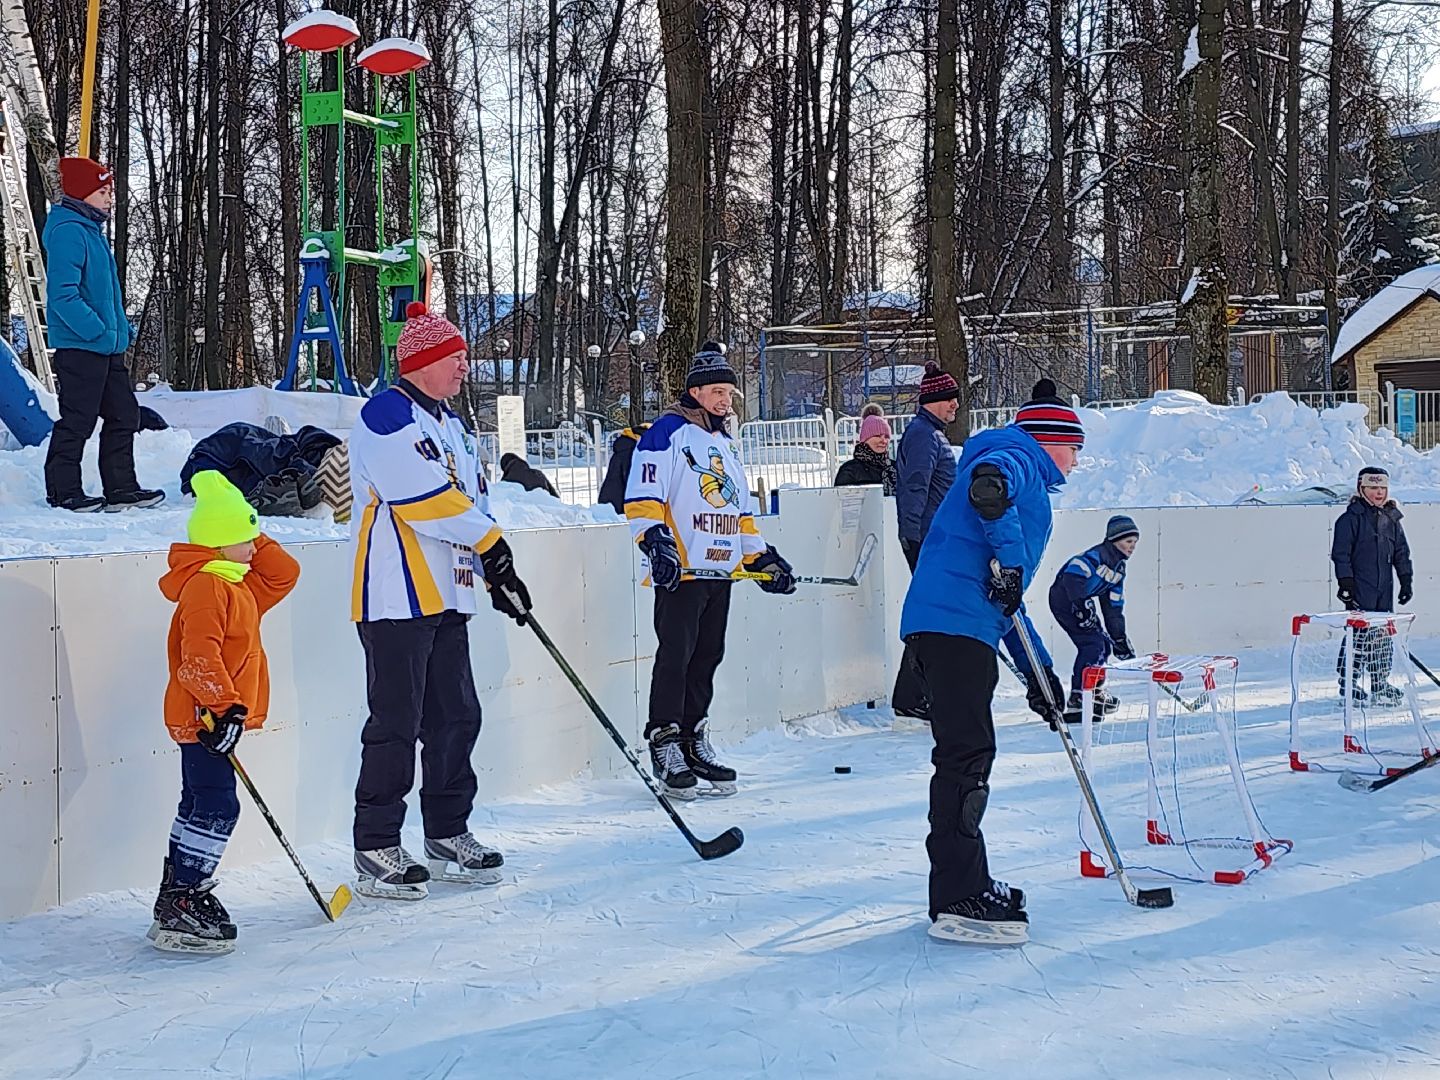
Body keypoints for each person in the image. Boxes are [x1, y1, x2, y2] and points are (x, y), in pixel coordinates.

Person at [347, 302, 533, 900]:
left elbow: (472, 501)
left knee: (457, 715)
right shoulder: (386, 413)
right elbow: (420, 497)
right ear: (422, 361)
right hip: (395, 594)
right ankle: (376, 842)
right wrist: (489, 542)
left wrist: (493, 566)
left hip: (448, 590)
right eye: (454, 357)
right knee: (397, 722)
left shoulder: (451, 423)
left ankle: (448, 830)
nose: (463, 365)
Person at [899, 378, 1083, 944]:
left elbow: (1006, 602)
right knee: (965, 757)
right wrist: (1008, 560)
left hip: (958, 624)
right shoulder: (1018, 455)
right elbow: (990, 485)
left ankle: (966, 879)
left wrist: (1040, 675)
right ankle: (958, 895)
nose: (1078, 459)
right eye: (1074, 445)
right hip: (953, 627)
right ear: (1051, 438)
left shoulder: (1019, 465)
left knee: (969, 753)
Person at [625, 342, 796, 797]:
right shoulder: (667, 432)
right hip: (683, 571)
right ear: (695, 392)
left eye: (729, 393)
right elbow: (643, 498)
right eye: (716, 391)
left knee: (706, 659)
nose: (724, 400)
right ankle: (664, 739)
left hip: (721, 574)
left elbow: (740, 514)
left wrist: (763, 558)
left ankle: (693, 737)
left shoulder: (725, 444)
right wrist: (655, 543)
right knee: (675, 659)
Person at [150, 471, 300, 953]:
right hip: (205, 720)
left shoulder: (239, 585)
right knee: (217, 806)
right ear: (219, 544)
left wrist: (250, 527)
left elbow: (286, 572)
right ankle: (185, 897)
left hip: (215, 717)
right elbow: (199, 657)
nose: (255, 547)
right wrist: (226, 710)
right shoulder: (207, 588)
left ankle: (176, 895)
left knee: (199, 802)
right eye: (245, 539)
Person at [42, 157, 164, 513]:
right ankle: (63, 491)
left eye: (110, 190)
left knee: (124, 415)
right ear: (83, 194)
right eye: (103, 191)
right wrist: (96, 329)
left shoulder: (92, 232)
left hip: (107, 347)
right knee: (78, 419)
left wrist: (118, 332)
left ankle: (121, 487)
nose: (111, 197)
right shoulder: (69, 232)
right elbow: (63, 294)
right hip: (80, 347)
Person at [891, 362, 961, 723]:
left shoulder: (930, 433)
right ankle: (914, 694)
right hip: (927, 540)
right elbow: (914, 486)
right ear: (932, 400)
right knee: (930, 619)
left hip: (932, 538)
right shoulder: (923, 435)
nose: (955, 405)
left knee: (931, 616)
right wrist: (914, 539)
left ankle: (913, 693)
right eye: (950, 399)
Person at [1332, 466, 1413, 705]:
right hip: (1360, 587)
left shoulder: (1391, 518)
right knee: (1358, 636)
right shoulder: (1350, 519)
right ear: (1361, 488)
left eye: (1382, 488)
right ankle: (1349, 682)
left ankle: (1379, 682)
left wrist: (1405, 580)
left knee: (1382, 636)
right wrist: (1345, 582)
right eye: (1373, 487)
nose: (1379, 493)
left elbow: (1401, 553)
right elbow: (1341, 553)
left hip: (1383, 589)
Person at [1049, 515, 1139, 722]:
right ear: (1114, 539)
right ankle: (1079, 698)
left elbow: (1113, 607)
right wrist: (1081, 606)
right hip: (1065, 601)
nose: (1132, 547)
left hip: (1082, 604)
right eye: (1128, 542)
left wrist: (1119, 638)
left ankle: (1094, 691)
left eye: (1135, 543)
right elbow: (1072, 577)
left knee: (1105, 645)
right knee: (1093, 645)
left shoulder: (1119, 569)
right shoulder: (1096, 556)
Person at [834, 404, 897, 492]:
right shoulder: (850, 471)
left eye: (886, 436)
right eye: (878, 436)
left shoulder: (896, 468)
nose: (884, 441)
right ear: (865, 439)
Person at [598, 422, 652, 513]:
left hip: (610, 503)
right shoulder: (632, 452)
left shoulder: (625, 447)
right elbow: (633, 482)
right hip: (622, 506)